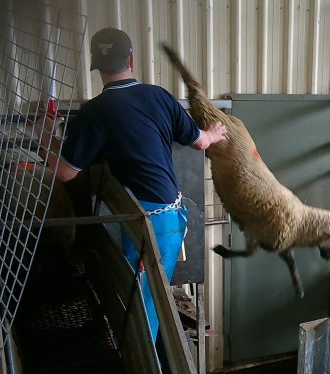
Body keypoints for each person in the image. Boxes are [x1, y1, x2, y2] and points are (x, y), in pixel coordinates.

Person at [36, 28, 227, 342]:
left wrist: (44, 140)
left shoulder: (95, 111)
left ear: (97, 66)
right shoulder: (160, 96)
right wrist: (216, 132)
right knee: (144, 301)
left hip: (145, 224)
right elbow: (200, 141)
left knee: (143, 307)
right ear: (132, 60)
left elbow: (65, 172)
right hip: (165, 219)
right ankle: (141, 363)